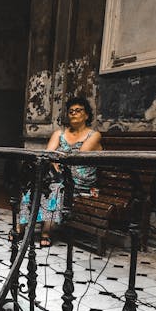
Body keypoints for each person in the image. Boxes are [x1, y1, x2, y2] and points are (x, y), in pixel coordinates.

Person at [18, 95, 102, 246]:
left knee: (56, 186)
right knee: (33, 183)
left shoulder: (94, 135)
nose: (74, 113)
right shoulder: (59, 134)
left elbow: (78, 157)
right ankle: (21, 227)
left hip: (80, 179)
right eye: (71, 111)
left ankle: (46, 231)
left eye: (78, 110)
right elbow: (48, 154)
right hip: (59, 175)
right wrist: (53, 162)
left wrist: (56, 161)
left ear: (86, 115)